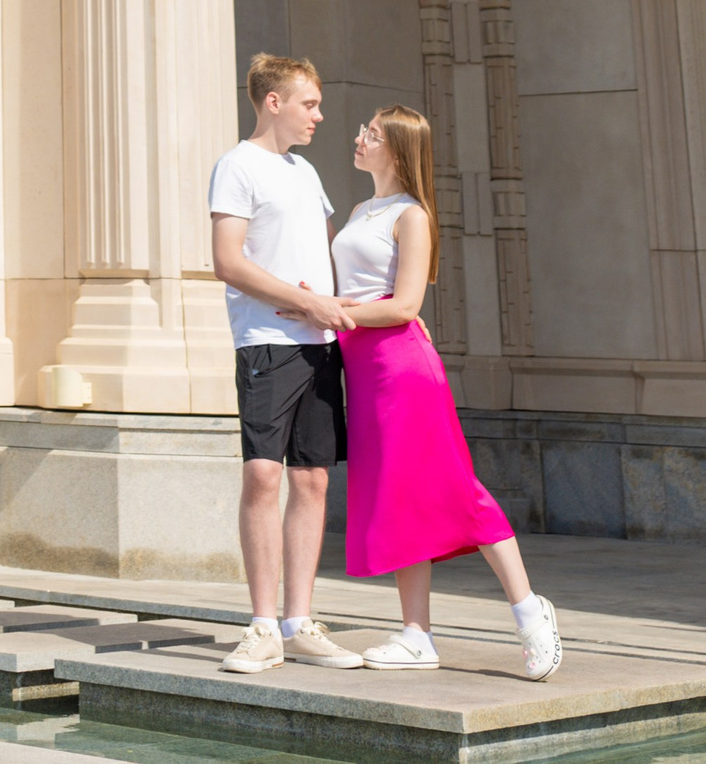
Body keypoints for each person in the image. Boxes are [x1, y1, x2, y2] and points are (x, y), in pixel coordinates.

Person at [332, 107, 561, 678]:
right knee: (396, 496)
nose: (359, 137)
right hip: (363, 372)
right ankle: (417, 635)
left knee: (459, 491)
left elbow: (407, 305)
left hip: (402, 371)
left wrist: (333, 310)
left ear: (398, 150)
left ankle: (531, 613)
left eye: (373, 134)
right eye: (364, 130)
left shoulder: (412, 215)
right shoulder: (362, 209)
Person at [207, 53, 361, 674]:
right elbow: (228, 261)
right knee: (263, 478)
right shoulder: (236, 167)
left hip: (319, 348)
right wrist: (305, 302)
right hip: (265, 344)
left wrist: (381, 311)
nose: (319, 115)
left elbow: (328, 262)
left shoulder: (306, 172)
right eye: (309, 104)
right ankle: (263, 625)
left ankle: (300, 622)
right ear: (274, 102)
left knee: (314, 479)